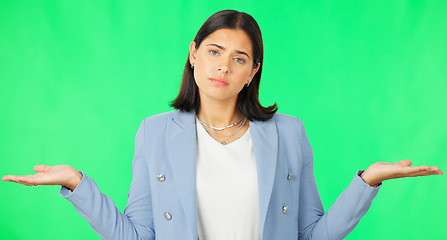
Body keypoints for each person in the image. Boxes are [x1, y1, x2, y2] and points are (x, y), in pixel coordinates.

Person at [2, 10, 443, 240]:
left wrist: (368, 181)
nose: (223, 67)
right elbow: (138, 235)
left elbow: (312, 234)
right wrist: (78, 184)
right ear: (193, 54)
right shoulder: (154, 132)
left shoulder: (289, 132)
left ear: (253, 72)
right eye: (214, 51)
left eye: (239, 58)